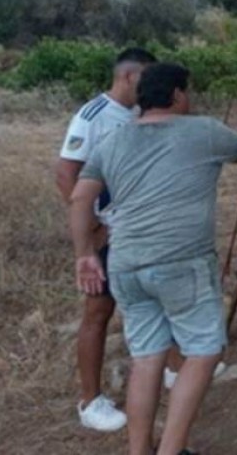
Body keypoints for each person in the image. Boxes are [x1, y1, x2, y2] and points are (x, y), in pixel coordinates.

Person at [69, 63, 237, 455]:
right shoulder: (202, 131)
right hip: (179, 262)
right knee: (205, 350)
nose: (191, 98)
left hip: (125, 263)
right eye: (187, 91)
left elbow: (80, 197)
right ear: (175, 95)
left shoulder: (114, 141)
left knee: (146, 357)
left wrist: (85, 254)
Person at [54, 46, 156, 433]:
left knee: (151, 298)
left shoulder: (139, 114)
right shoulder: (93, 115)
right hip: (109, 229)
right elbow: (66, 174)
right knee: (99, 310)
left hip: (138, 226)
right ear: (130, 76)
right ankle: (90, 399)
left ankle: (164, 367)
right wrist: (93, 227)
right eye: (146, 77)